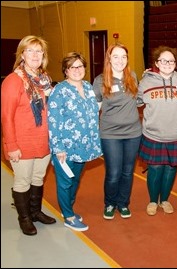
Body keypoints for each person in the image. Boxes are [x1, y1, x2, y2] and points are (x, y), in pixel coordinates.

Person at [1, 35, 55, 236]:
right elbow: (6, 117)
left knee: (38, 178)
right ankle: (24, 218)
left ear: (44, 55)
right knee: (23, 180)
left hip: (43, 141)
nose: (35, 55)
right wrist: (11, 145)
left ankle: (35, 212)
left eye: (39, 51)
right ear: (22, 54)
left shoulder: (45, 79)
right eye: (30, 50)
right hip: (21, 143)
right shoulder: (13, 81)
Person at [48, 52, 102, 232]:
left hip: (83, 147)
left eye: (80, 66)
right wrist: (58, 148)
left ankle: (67, 208)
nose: (77, 70)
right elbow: (53, 121)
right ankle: (69, 216)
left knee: (75, 180)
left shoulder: (87, 87)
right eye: (73, 67)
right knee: (65, 182)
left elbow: (93, 115)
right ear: (66, 70)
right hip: (65, 147)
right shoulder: (59, 91)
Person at [93, 43, 142, 220]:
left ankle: (123, 204)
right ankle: (110, 203)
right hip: (110, 134)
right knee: (113, 173)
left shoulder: (133, 76)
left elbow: (138, 100)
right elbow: (96, 108)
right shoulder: (100, 80)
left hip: (133, 133)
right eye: (116, 56)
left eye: (124, 56)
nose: (120, 60)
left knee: (128, 172)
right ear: (109, 59)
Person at [137, 45, 177, 216]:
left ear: (175, 63)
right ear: (157, 62)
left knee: (171, 169)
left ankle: (164, 200)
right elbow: (136, 102)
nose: (167, 63)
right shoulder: (146, 81)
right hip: (154, 134)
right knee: (156, 168)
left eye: (171, 61)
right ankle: (152, 201)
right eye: (163, 60)